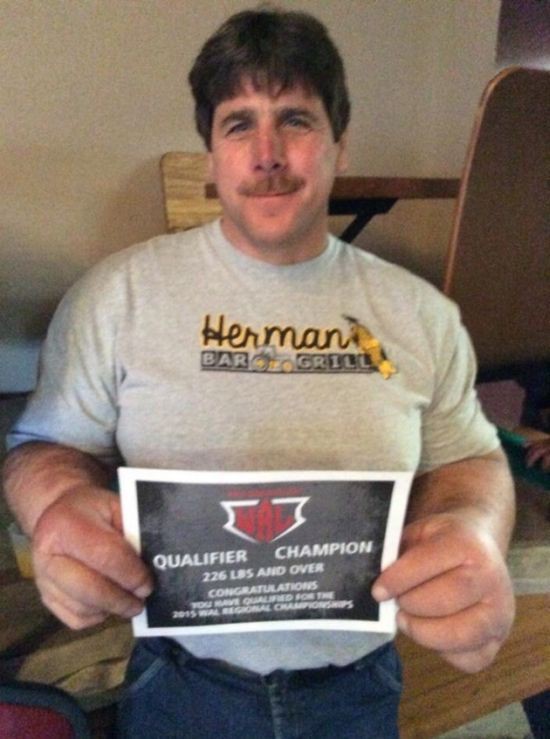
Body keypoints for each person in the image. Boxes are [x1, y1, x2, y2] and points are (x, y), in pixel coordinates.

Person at [2, 8, 515, 738]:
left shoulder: (421, 313)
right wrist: (55, 502)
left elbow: (470, 459)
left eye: (296, 120)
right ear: (211, 156)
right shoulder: (113, 296)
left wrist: (475, 528)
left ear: (340, 144)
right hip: (179, 682)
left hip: (358, 687)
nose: (267, 153)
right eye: (239, 124)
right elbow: (42, 447)